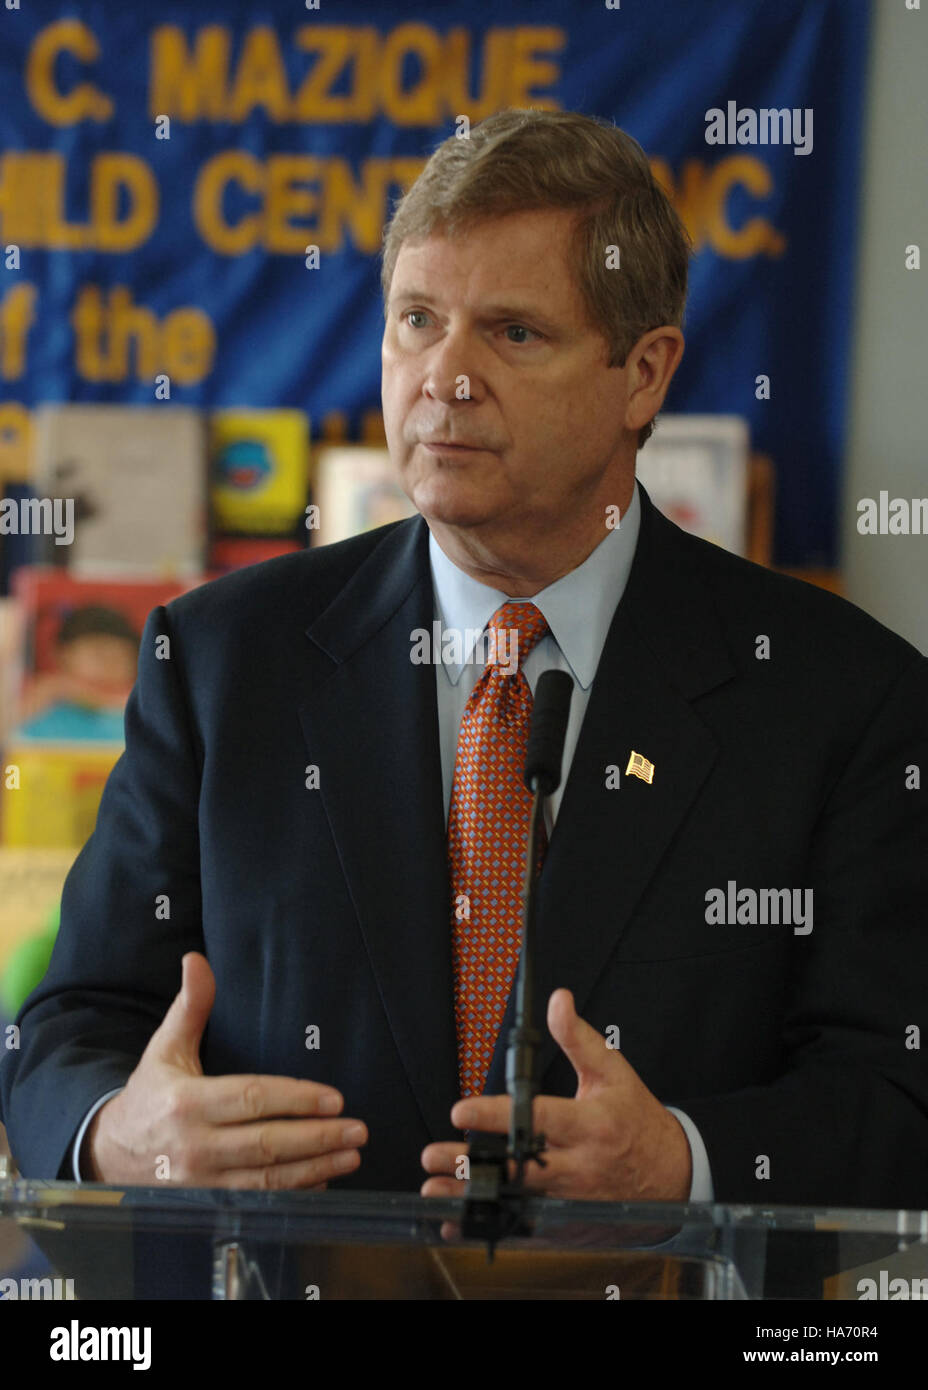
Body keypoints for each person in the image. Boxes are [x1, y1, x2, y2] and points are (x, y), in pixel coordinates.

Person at [1, 109, 926, 1212]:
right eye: (416, 321)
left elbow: (893, 1086)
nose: (443, 376)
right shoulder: (221, 662)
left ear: (642, 373)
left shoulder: (839, 697)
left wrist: (681, 1161)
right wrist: (118, 1134)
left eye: (512, 334)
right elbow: (67, 1030)